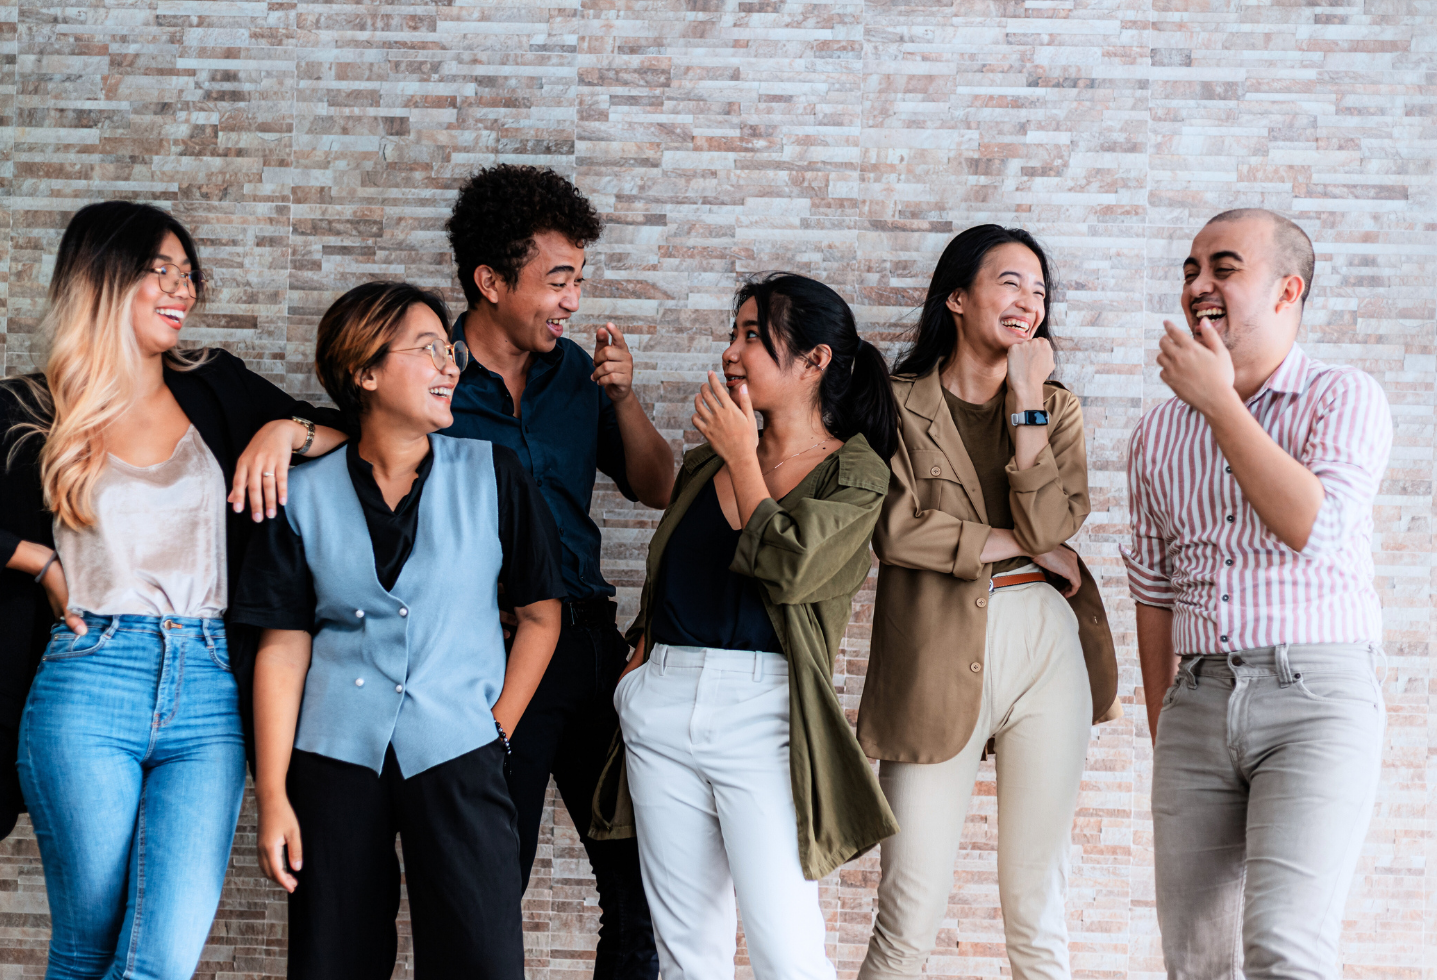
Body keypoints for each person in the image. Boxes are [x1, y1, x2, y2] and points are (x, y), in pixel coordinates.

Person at [0, 200, 349, 979]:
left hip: (209, 693)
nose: (182, 289)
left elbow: (359, 438)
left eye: (188, 274)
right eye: (160, 270)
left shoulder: (218, 387)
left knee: (158, 960)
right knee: (89, 948)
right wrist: (36, 558)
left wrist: (283, 429)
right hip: (89, 682)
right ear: (99, 277)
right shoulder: (25, 410)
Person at [238, 281, 565, 980]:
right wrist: (273, 795)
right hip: (331, 758)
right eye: (428, 350)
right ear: (365, 371)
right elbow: (283, 646)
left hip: (461, 748)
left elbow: (542, 615)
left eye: (448, 351)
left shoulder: (494, 473)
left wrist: (496, 727)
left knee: (482, 958)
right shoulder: (297, 491)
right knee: (334, 960)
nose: (450, 365)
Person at [591, 272, 901, 979]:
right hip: (662, 704)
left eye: (754, 336)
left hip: (766, 712)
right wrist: (642, 653)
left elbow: (790, 568)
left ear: (816, 361)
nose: (732, 352)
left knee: (786, 952)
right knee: (686, 955)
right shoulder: (704, 464)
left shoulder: (857, 472)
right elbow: (677, 564)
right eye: (733, 333)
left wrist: (740, 453)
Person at [1125, 209, 1391, 979]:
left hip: (1316, 698)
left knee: (1285, 945)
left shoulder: (1343, 398)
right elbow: (1154, 588)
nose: (1198, 286)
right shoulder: (1154, 433)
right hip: (1198, 700)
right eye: (1189, 269)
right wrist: (1165, 725)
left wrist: (1219, 404)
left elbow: (1316, 525)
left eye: (1223, 267)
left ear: (1287, 291)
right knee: (1197, 960)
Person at [857, 225, 1121, 980]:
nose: (1028, 301)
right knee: (908, 916)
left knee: (1037, 911)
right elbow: (897, 531)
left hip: (1046, 648)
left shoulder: (1056, 406)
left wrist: (1029, 397)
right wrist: (1025, 542)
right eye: (1010, 282)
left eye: (1039, 290)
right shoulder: (897, 405)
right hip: (935, 654)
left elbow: (1051, 522)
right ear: (957, 297)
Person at [441, 163, 674, 979]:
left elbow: (657, 486)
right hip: (489, 657)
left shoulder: (577, 372)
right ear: (491, 281)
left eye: (578, 278)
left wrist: (622, 399)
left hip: (589, 650)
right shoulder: (428, 379)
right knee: (484, 891)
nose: (573, 300)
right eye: (559, 279)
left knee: (642, 887)